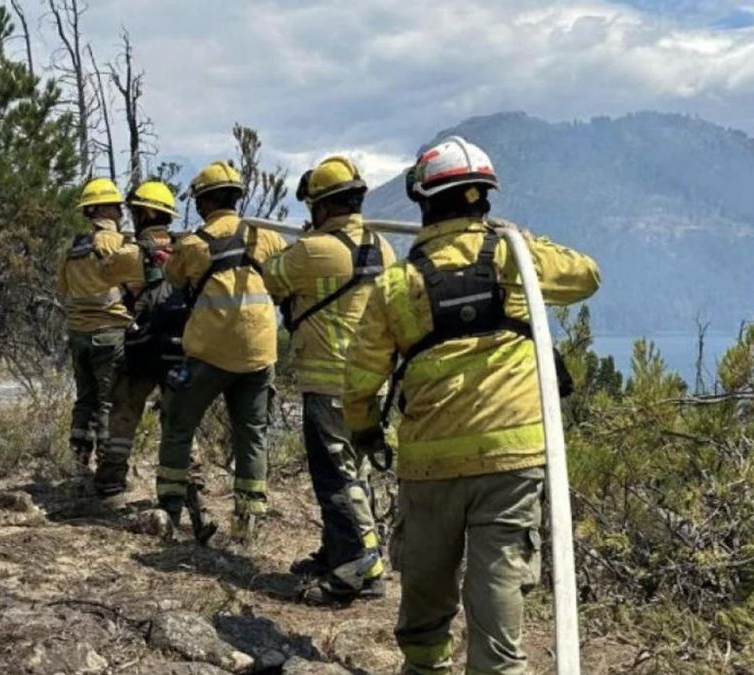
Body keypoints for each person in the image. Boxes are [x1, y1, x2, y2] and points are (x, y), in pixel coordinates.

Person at [343, 136, 601, 674]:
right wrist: (529, 244)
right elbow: (586, 275)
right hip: (513, 457)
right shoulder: (516, 259)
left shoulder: (397, 284)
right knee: (499, 586)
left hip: (430, 462)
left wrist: (365, 433)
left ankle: (425, 667)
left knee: (426, 583)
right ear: (484, 196)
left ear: (422, 201)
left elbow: (361, 380)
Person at [262, 156, 395, 604]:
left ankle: (352, 573)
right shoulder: (384, 246)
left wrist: (301, 242)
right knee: (357, 474)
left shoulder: (313, 250)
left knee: (335, 478)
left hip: (328, 382)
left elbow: (270, 276)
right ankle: (350, 553)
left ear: (321, 207)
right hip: (371, 384)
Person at [157, 160, 286, 544]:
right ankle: (248, 526)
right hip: (259, 354)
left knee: (178, 426)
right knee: (252, 437)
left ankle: (169, 510)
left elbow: (172, 278)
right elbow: (282, 279)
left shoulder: (195, 243)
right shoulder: (265, 237)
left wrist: (170, 254)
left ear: (205, 201)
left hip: (209, 354)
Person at [96, 180, 187, 497]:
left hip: (142, 345)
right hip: (180, 347)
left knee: (125, 408)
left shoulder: (132, 252)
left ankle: (111, 476)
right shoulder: (185, 249)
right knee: (179, 418)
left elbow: (104, 273)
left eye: (135, 211)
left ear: (144, 213)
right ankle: (188, 486)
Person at [57, 177, 146, 478]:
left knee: (85, 401)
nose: (121, 214)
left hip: (78, 334)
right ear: (108, 210)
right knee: (109, 403)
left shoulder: (72, 248)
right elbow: (138, 286)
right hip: (109, 335)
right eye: (118, 208)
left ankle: (77, 464)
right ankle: (108, 472)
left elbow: (63, 289)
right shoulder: (119, 245)